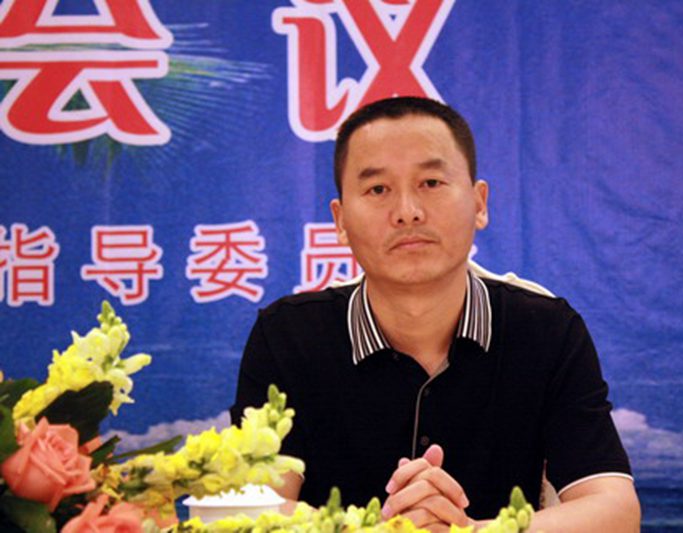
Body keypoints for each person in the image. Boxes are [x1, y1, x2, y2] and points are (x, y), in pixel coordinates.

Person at [231, 96, 640, 531]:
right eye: (378, 189)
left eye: (430, 182)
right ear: (341, 221)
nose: (408, 212)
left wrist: (472, 532)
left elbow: (616, 512)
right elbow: (250, 509)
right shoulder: (288, 336)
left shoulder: (546, 332)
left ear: (479, 203)